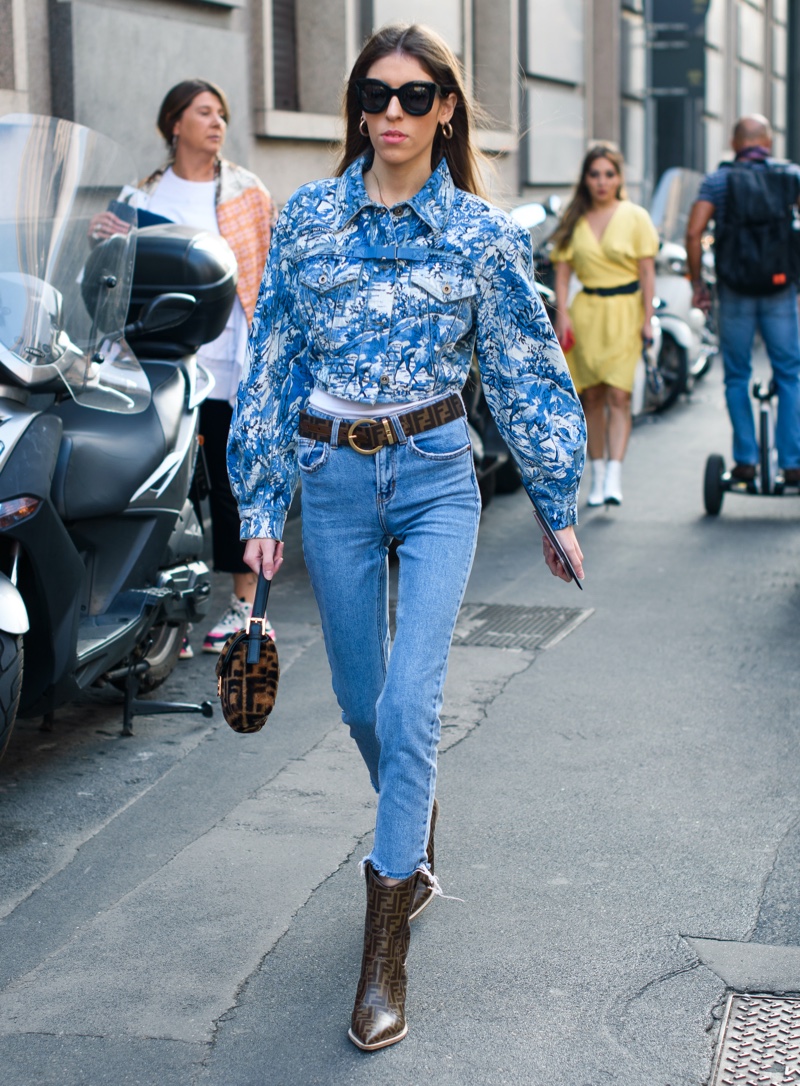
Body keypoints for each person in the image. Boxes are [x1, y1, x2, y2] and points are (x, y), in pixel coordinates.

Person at [227, 23, 586, 1051]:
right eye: (374, 95)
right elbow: (272, 367)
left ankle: (385, 943)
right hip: (330, 478)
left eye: (414, 95)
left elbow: (522, 367)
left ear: (445, 110)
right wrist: (258, 508)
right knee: (355, 698)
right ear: (357, 107)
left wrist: (555, 502)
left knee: (411, 697)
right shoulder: (307, 221)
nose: (391, 112)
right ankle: (409, 816)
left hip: (435, 479)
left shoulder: (479, 235)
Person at [93, 79, 277, 655]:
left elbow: (271, 273)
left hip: (231, 360)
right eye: (204, 113)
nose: (217, 122)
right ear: (175, 123)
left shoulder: (247, 193)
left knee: (228, 482)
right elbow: (109, 279)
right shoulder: (139, 196)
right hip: (158, 365)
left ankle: (245, 606)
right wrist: (108, 241)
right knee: (166, 482)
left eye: (221, 113)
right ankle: (149, 605)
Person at [686, 114, 800, 486]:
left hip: (735, 291)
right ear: (767, 143)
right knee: (789, 374)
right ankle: (792, 461)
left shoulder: (718, 180)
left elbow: (693, 232)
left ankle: (746, 460)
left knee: (736, 375)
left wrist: (698, 284)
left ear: (735, 144)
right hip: (780, 290)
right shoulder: (789, 177)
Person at [551, 142, 658, 507]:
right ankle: (596, 478)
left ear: (619, 177)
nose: (601, 182)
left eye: (609, 174)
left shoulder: (635, 216)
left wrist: (648, 320)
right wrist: (562, 317)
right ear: (585, 178)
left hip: (625, 313)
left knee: (620, 395)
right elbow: (562, 276)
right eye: (594, 174)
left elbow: (647, 271)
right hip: (586, 314)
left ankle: (614, 476)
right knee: (591, 397)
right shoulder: (574, 219)